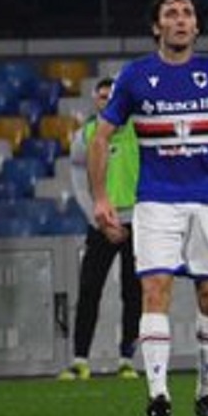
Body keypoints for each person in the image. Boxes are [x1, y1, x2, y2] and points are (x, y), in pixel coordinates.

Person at [89, 0, 208, 416]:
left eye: (187, 12)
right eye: (170, 13)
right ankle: (159, 395)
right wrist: (101, 197)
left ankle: (207, 393)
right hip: (156, 202)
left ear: (196, 25)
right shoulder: (135, 75)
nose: (180, 20)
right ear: (157, 27)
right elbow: (100, 138)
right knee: (155, 290)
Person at [63, 75, 141, 381]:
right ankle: (80, 360)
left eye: (112, 96)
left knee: (133, 292)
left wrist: (140, 214)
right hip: (100, 224)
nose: (107, 102)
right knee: (89, 290)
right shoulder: (85, 135)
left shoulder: (138, 130)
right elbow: (78, 181)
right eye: (102, 97)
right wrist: (98, 218)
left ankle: (127, 359)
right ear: (95, 101)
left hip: (136, 221)